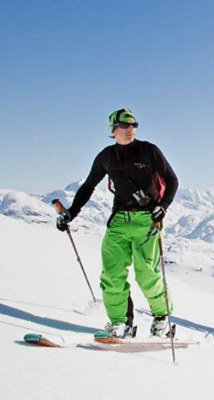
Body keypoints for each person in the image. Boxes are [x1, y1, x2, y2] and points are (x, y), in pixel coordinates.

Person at [55, 108, 179, 338]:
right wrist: (71, 213)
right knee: (111, 274)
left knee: (146, 273)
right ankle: (121, 323)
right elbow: (88, 186)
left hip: (147, 220)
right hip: (119, 220)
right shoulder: (106, 157)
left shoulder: (149, 151)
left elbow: (172, 180)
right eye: (125, 125)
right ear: (113, 130)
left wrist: (163, 207)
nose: (130, 129)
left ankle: (162, 316)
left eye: (134, 125)